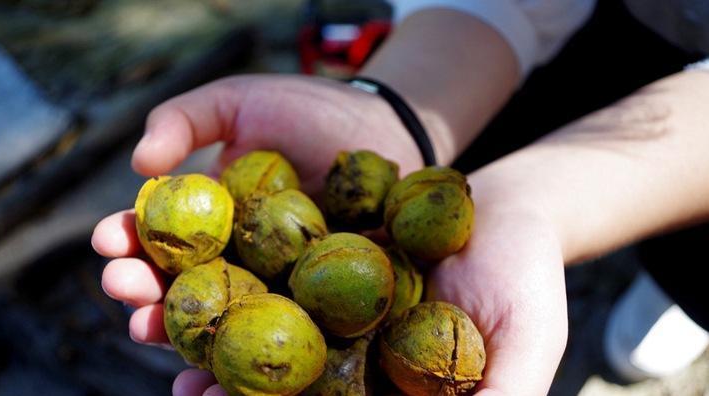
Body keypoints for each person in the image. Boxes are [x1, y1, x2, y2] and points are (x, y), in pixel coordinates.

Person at [91, 0, 709, 394]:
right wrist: (400, 108)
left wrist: (531, 209)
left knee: (691, 261)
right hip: (604, 28)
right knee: (517, 121)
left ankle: (672, 294)